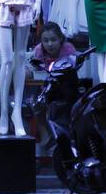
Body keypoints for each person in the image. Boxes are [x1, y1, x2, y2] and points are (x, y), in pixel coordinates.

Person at [29, 22, 76, 157]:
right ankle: (45, 132)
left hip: (65, 90)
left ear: (60, 38)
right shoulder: (38, 50)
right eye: (46, 41)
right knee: (34, 102)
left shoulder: (68, 49)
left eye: (53, 40)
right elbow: (35, 69)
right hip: (46, 89)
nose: (50, 44)